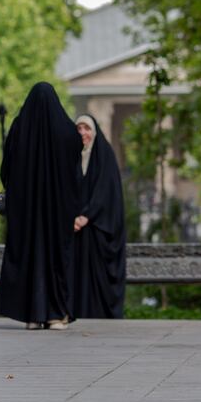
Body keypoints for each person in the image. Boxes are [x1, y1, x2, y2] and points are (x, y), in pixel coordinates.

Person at [0, 83, 83, 330]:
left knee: (29, 256)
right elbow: (76, 172)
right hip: (58, 212)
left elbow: (6, 170)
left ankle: (32, 316)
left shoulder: (19, 128)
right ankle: (57, 315)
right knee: (57, 258)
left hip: (26, 214)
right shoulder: (67, 131)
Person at [72, 115, 126, 319]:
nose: (83, 133)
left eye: (87, 128)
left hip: (98, 230)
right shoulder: (72, 157)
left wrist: (87, 216)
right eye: (78, 128)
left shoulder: (105, 156)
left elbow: (106, 192)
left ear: (94, 131)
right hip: (76, 230)